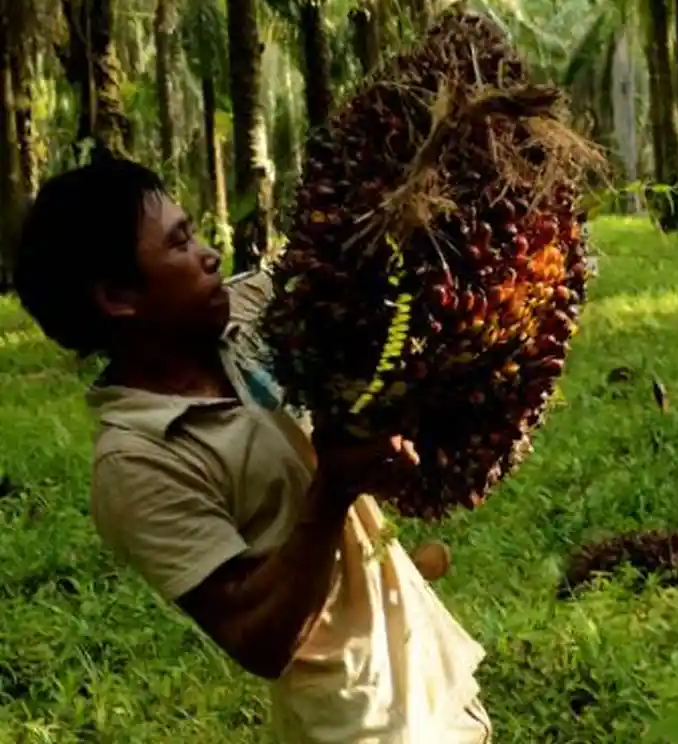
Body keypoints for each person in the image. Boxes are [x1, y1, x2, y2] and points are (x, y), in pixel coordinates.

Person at [13, 157, 492, 742]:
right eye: (181, 243)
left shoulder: (251, 312)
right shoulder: (138, 464)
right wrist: (333, 490)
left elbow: (359, 264)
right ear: (118, 296)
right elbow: (257, 638)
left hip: (429, 670)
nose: (211, 255)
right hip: (356, 719)